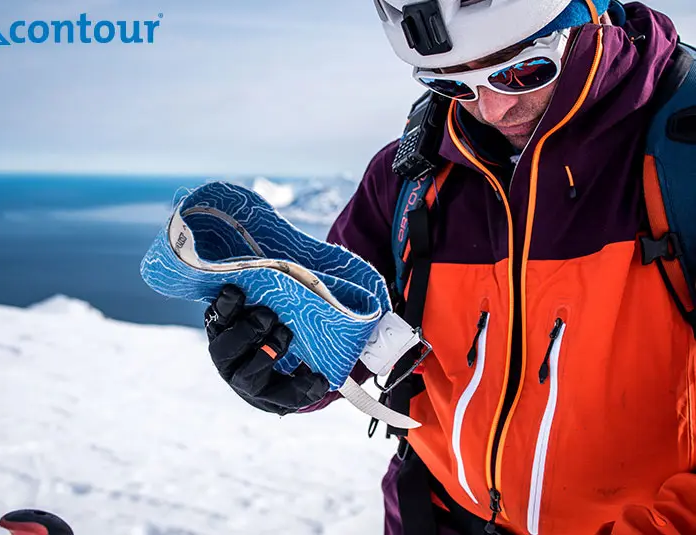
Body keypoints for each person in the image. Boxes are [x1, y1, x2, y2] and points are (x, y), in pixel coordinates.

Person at [204, 1, 696, 533]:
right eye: (454, 84)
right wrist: (281, 365)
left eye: (521, 71)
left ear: (591, 19)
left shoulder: (681, 159)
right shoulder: (412, 175)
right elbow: (334, 328)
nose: (492, 111)